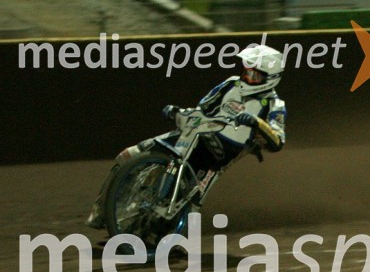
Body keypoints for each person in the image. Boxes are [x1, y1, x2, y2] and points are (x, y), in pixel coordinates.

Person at [87, 44, 286, 228]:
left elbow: (278, 141)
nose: (247, 77)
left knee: (191, 206)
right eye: (247, 71)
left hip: (220, 154)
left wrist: (257, 123)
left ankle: (168, 234)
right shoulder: (230, 84)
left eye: (255, 75)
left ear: (270, 78)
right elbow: (203, 107)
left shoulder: (274, 104)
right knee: (127, 156)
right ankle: (102, 210)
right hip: (196, 132)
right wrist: (179, 111)